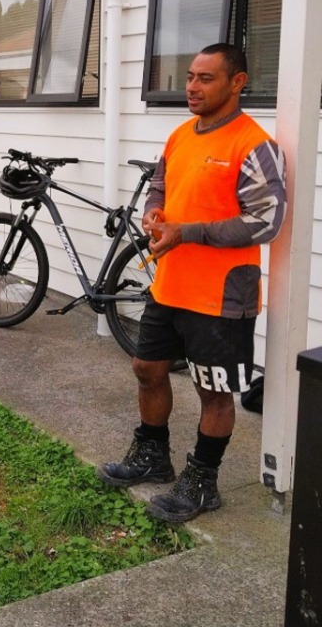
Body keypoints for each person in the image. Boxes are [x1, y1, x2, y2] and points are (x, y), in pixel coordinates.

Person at [97, 43, 287, 523]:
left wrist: (189, 233)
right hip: (171, 285)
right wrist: (153, 211)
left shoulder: (252, 144)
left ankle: (203, 481)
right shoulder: (181, 134)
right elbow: (161, 183)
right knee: (147, 368)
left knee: (213, 391)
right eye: (189, 78)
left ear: (237, 82)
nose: (192, 88)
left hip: (222, 294)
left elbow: (266, 222)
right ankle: (152, 456)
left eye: (205, 79)